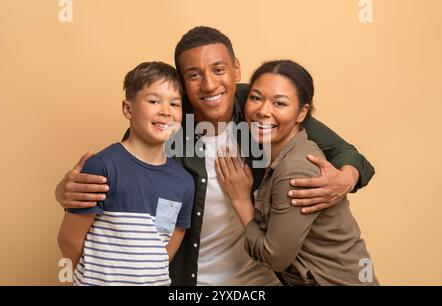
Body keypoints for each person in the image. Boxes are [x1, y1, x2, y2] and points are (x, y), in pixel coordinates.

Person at [55, 26, 375, 285]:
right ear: (181, 83)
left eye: (219, 69)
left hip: (264, 279)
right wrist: (66, 195)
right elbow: (121, 178)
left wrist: (345, 179)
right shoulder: (166, 127)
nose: (209, 84)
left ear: (236, 69)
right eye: (193, 75)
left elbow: (348, 154)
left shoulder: (260, 106)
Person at [215, 60, 379, 285]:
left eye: (280, 103)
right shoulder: (276, 150)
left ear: (302, 112)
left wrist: (241, 200)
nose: (263, 110)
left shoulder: (295, 167)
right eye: (256, 98)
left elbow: (275, 257)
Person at [57, 62, 195, 286]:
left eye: (175, 104)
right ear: (128, 109)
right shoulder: (102, 167)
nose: (166, 111)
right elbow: (69, 241)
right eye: (153, 101)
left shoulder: (184, 183)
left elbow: (166, 249)